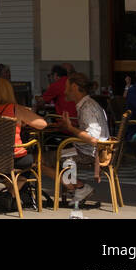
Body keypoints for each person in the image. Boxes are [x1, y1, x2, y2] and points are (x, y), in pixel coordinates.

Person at [0, 77, 56, 201]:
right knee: (31, 162)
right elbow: (42, 124)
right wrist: (21, 120)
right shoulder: (15, 109)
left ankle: (11, 190)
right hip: (13, 159)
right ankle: (14, 192)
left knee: (15, 166)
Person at [54, 72, 111, 204]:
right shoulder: (88, 104)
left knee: (44, 159)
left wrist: (70, 128)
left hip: (89, 153)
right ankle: (77, 188)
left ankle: (79, 187)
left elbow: (92, 138)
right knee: (58, 153)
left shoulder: (87, 108)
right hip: (94, 151)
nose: (64, 91)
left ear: (74, 87)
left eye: (66, 87)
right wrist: (70, 125)